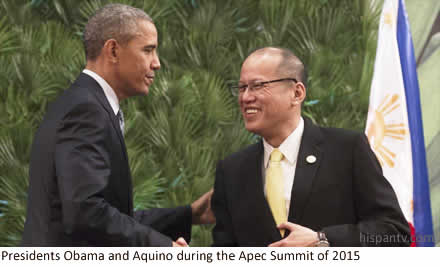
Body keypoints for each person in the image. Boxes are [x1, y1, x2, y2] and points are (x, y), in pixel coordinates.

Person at [21, 3, 214, 247]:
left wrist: (190, 214)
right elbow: (85, 213)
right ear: (113, 50)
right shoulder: (86, 110)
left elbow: (109, 213)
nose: (157, 63)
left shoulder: (82, 102)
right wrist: (164, 249)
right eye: (148, 50)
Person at [211, 47, 411, 247]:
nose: (245, 97)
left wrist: (322, 240)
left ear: (297, 93)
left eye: (257, 86)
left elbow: (395, 234)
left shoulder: (347, 151)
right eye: (241, 87)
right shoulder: (232, 171)